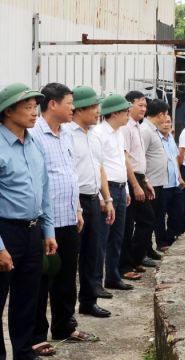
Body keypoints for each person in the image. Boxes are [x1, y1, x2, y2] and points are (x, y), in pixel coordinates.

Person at [0, 83, 59, 360]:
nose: (35, 111)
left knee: (28, 296)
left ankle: (24, 353)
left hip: (33, 229)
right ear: (8, 111)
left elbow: (44, 189)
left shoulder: (34, 144)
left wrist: (47, 231)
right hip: (5, 231)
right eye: (28, 106)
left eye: (36, 105)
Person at [68, 86, 115, 318]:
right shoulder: (67, 135)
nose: (98, 112)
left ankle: (88, 301)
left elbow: (100, 168)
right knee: (71, 256)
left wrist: (107, 199)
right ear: (79, 109)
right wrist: (76, 205)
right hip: (74, 203)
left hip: (93, 199)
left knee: (92, 253)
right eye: (94, 108)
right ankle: (65, 310)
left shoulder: (93, 136)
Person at [93, 94, 139, 288]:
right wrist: (104, 196)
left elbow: (121, 162)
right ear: (113, 113)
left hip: (120, 188)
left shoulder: (119, 133)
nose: (128, 115)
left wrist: (127, 188)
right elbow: (98, 165)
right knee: (102, 239)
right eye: (125, 112)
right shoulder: (99, 133)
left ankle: (112, 277)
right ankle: (96, 283)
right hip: (107, 189)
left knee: (118, 236)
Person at [119, 91, 156, 277]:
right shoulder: (125, 127)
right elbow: (125, 159)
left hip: (140, 177)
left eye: (145, 106)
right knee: (127, 225)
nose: (143, 109)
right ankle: (124, 265)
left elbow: (139, 157)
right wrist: (135, 185)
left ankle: (134, 258)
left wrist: (145, 181)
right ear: (129, 105)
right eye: (140, 105)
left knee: (147, 219)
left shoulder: (138, 127)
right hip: (130, 179)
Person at [141, 99, 172, 253]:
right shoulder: (145, 130)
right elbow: (140, 157)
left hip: (158, 182)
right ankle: (144, 251)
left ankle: (149, 249)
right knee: (148, 220)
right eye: (165, 115)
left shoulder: (152, 129)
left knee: (156, 217)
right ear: (160, 115)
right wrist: (145, 180)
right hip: (150, 183)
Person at [155, 114, 185, 250]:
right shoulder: (156, 139)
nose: (166, 125)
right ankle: (161, 243)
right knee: (160, 215)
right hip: (163, 184)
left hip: (175, 183)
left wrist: (179, 177)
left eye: (168, 122)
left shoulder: (171, 138)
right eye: (163, 122)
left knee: (177, 212)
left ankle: (170, 238)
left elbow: (174, 159)